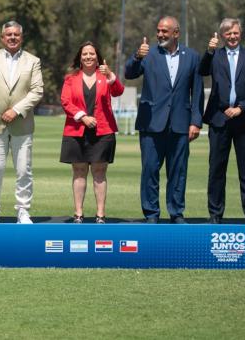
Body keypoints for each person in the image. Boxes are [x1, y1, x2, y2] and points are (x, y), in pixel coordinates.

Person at [125, 16, 204, 224]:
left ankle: (176, 213)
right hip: (151, 124)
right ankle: (151, 214)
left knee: (178, 172)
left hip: (180, 124)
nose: (160, 34)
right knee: (150, 170)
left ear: (176, 33)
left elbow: (197, 93)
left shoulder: (193, 57)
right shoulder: (148, 53)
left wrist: (196, 121)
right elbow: (129, 73)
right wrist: (136, 57)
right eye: (158, 30)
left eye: (164, 31)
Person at [0, 21, 44, 224]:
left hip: (22, 123)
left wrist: (16, 110)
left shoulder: (33, 61)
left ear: (21, 37)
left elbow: (37, 90)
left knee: (23, 170)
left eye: (16, 34)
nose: (12, 37)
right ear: (2, 38)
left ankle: (23, 211)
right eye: (8, 35)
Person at [200, 18, 245, 224]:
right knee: (216, 169)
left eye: (235, 32)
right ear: (222, 36)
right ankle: (215, 215)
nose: (232, 36)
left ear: (240, 34)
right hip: (219, 120)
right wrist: (209, 51)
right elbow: (202, 71)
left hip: (244, 122)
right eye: (228, 33)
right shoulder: (216, 56)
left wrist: (240, 108)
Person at [60, 42, 124, 224]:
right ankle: (78, 214)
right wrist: (82, 117)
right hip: (76, 130)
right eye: (85, 54)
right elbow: (65, 101)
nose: (88, 57)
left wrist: (111, 76)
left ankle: (100, 215)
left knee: (99, 171)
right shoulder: (71, 78)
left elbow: (118, 92)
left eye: (92, 54)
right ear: (80, 57)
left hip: (103, 131)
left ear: (98, 57)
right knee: (79, 171)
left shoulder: (105, 76)